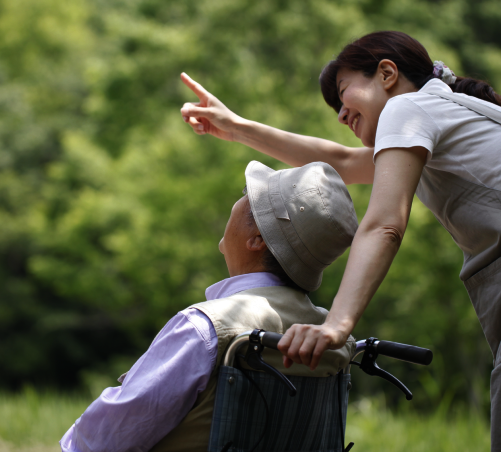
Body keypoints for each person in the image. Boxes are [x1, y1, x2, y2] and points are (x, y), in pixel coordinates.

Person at [180, 31, 501, 452]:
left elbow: (385, 223)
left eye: (345, 92)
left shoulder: (410, 108)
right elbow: (346, 162)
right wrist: (237, 127)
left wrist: (337, 326)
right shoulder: (439, 113)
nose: (341, 111)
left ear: (387, 73)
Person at [60, 160, 358, 452]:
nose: (240, 198)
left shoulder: (206, 327)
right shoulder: (334, 341)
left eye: (247, 194)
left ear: (257, 240)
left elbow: (101, 440)